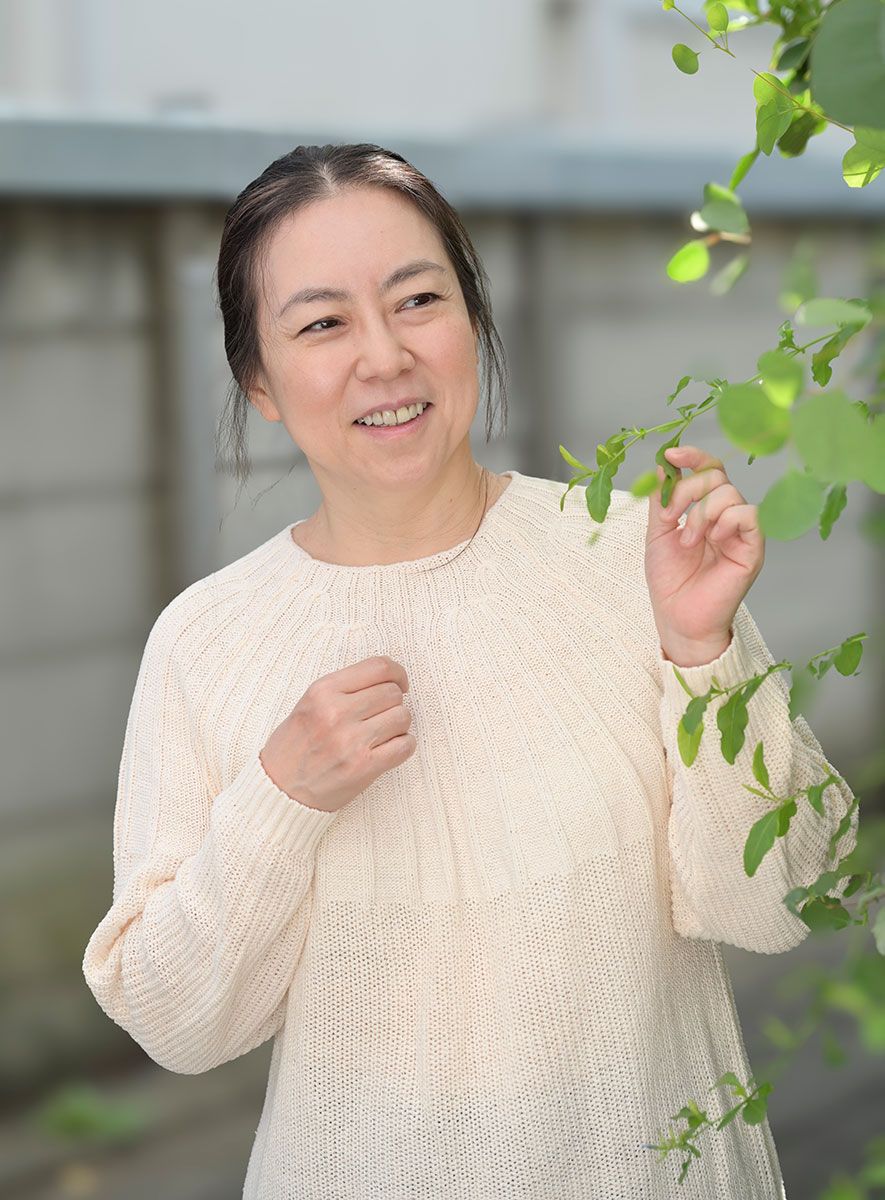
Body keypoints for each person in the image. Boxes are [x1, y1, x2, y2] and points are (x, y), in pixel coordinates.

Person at [82, 143, 858, 1199]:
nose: (386, 356)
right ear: (258, 382)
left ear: (474, 320)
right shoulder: (206, 641)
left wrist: (701, 655)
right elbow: (175, 1021)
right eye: (322, 323)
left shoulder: (632, 557)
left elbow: (785, 901)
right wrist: (280, 799)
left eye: (418, 300)